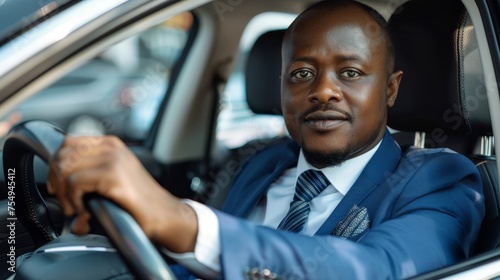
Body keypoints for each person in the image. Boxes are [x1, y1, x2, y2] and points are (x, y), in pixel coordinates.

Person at [47, 1, 485, 279]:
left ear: (390, 89)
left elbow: (378, 270)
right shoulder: (259, 162)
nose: (323, 91)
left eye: (350, 73)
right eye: (301, 74)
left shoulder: (441, 179)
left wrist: (184, 222)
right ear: (281, 90)